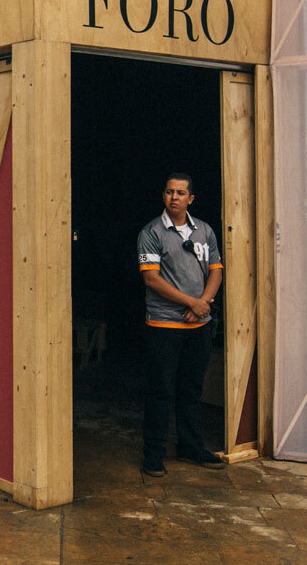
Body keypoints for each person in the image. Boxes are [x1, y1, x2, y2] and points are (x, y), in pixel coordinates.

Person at [136, 172, 225, 477]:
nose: (174, 197)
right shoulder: (151, 232)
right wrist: (191, 303)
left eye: (180, 192)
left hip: (198, 326)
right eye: (169, 192)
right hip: (164, 326)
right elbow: (151, 278)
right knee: (160, 391)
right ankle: (154, 454)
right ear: (164, 196)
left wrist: (203, 304)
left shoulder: (205, 232)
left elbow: (216, 271)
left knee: (191, 390)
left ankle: (189, 446)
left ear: (191, 198)